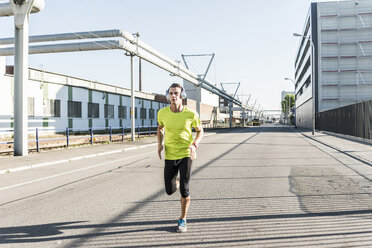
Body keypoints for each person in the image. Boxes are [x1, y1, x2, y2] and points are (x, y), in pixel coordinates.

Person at [157, 83, 203, 233]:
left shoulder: (191, 114)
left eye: (176, 93)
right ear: (168, 95)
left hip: (186, 153)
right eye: (171, 93)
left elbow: (200, 131)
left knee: (185, 187)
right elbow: (160, 128)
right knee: (170, 190)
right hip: (170, 154)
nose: (173, 96)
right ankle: (177, 180)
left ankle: (182, 219)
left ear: (182, 95)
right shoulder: (162, 113)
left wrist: (194, 145)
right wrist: (159, 144)